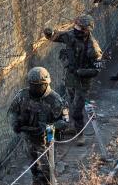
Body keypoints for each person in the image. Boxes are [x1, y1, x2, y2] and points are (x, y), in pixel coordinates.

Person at [8, 67, 66, 185]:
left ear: (45, 84)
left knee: (47, 168)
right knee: (34, 166)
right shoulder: (23, 96)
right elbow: (12, 111)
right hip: (29, 137)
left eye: (38, 86)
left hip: (47, 139)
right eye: (32, 85)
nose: (34, 89)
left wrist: (48, 127)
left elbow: (64, 121)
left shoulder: (55, 100)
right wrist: (15, 123)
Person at [43, 15, 102, 146]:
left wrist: (80, 72)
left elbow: (97, 70)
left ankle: (80, 134)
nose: (75, 29)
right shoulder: (71, 35)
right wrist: (49, 33)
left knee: (77, 108)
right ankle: (73, 127)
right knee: (70, 102)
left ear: (86, 30)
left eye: (79, 27)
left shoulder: (93, 47)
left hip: (82, 81)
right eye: (75, 25)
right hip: (70, 77)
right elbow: (56, 37)